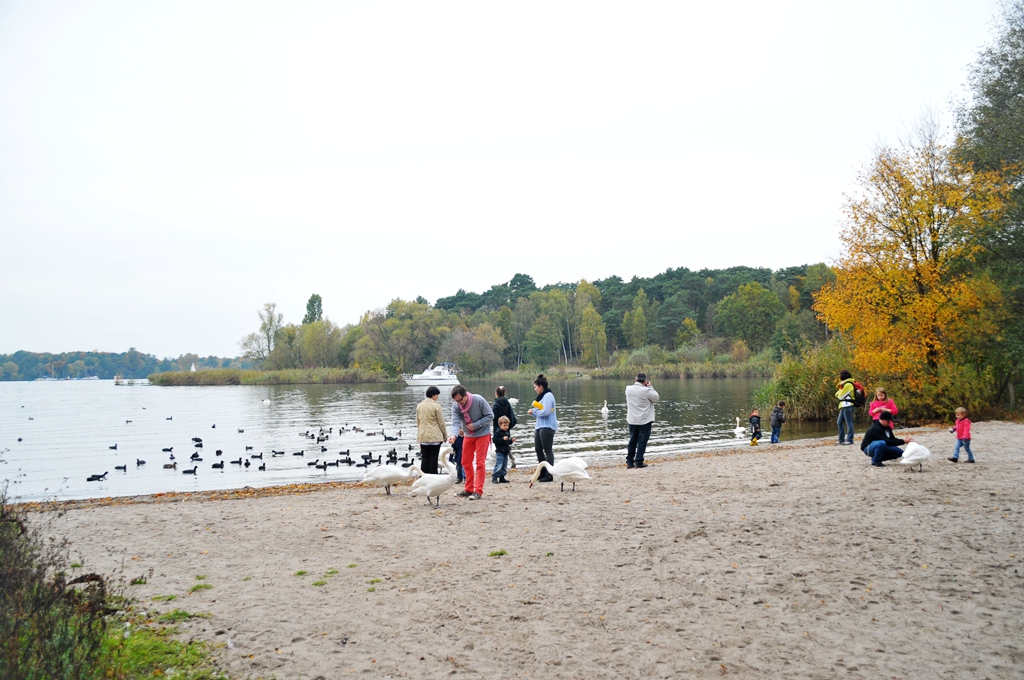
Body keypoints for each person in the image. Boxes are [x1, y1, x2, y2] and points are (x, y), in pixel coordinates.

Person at [448, 385, 493, 500]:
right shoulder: (456, 405)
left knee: (480, 463)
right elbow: (455, 422)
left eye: (460, 400)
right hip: (468, 435)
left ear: (465, 395)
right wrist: (453, 435)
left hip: (483, 434)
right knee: (465, 462)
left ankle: (478, 491)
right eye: (456, 401)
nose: (459, 403)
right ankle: (469, 489)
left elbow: (490, 416)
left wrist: (475, 425)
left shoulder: (478, 400)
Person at [527, 374, 558, 482]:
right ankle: (542, 472)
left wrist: (534, 411)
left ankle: (549, 474)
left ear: (541, 387)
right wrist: (534, 412)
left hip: (548, 426)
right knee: (538, 449)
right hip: (540, 425)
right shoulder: (541, 397)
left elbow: (546, 411)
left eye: (535, 387)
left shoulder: (548, 396)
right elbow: (541, 410)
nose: (534, 389)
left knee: (548, 451)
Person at [625, 372, 659, 468]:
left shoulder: (628, 389)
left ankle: (629, 462)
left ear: (635, 380)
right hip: (644, 419)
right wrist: (650, 387)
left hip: (632, 419)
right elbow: (656, 397)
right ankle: (639, 461)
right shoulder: (646, 391)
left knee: (632, 440)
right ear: (645, 381)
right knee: (642, 441)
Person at [415, 386, 447, 475]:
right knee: (434, 458)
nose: (437, 397)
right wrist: (445, 435)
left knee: (424, 458)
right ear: (433, 395)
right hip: (435, 437)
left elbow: (418, 422)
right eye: (437, 395)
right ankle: (433, 476)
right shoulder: (436, 406)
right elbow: (441, 423)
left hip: (423, 436)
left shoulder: (419, 405)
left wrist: (420, 432)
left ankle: (423, 477)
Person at [492, 386, 518, 469]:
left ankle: (500, 464)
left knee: (499, 445)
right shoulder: (507, 403)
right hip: (506, 427)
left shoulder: (496, 404)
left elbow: (493, 417)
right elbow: (512, 416)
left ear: (496, 393)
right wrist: (508, 426)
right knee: (506, 443)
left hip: (498, 428)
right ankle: (511, 460)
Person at [835, 370, 856, 445]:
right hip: (844, 405)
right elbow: (839, 393)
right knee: (839, 422)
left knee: (848, 422)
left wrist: (838, 393)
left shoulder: (848, 385)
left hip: (848, 405)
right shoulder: (844, 385)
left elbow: (840, 396)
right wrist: (839, 393)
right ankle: (841, 439)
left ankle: (850, 439)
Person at [492, 415, 515, 483]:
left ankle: (502, 477)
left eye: (507, 425)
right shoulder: (497, 432)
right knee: (499, 464)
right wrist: (502, 439)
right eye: (504, 425)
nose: (506, 427)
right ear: (500, 425)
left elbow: (507, 442)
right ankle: (495, 477)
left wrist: (511, 441)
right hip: (499, 451)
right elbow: (495, 440)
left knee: (504, 465)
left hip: (506, 451)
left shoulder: (507, 432)